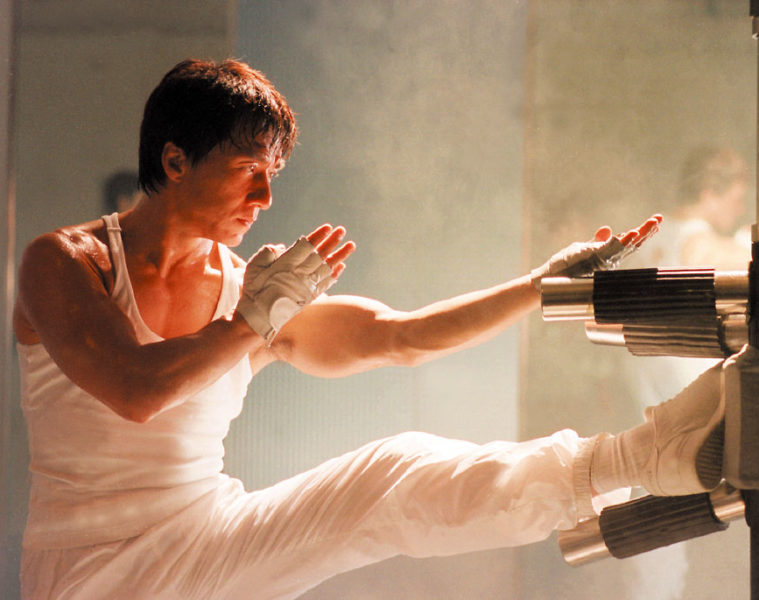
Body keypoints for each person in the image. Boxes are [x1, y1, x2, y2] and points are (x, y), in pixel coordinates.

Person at [13, 59, 726, 599]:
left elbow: (400, 336)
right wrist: (255, 318)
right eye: (247, 170)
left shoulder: (247, 292)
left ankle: (634, 460)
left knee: (392, 469)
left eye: (273, 173)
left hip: (211, 539)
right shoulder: (64, 261)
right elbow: (135, 391)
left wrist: (540, 285)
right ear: (174, 160)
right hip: (89, 573)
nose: (265, 196)